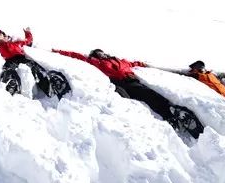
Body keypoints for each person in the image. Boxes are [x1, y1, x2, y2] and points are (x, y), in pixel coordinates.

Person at [52, 47, 203, 138]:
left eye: (102, 53)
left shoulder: (120, 60)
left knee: (149, 95)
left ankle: (171, 114)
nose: (102, 55)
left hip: (132, 81)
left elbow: (133, 63)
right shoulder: (94, 62)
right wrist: (56, 52)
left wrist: (143, 64)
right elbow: (75, 55)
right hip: (116, 82)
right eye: (98, 54)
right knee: (126, 101)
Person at [0, 26, 70, 99]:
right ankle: (12, 86)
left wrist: (28, 32)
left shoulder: (16, 43)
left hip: (21, 58)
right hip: (9, 61)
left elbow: (28, 41)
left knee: (36, 68)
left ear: (4, 35)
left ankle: (49, 86)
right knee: (8, 70)